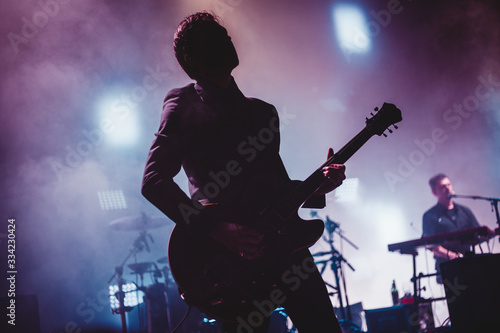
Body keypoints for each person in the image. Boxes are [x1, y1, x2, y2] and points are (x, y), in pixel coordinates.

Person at [141, 12, 345, 333]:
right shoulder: (183, 104)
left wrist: (320, 186)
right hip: (228, 261)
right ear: (191, 58)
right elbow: (154, 182)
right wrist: (216, 229)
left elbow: (277, 189)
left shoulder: (262, 112)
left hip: (284, 249)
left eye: (225, 34)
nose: (227, 40)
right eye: (215, 38)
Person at [422, 173, 480, 284]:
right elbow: (432, 246)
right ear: (434, 192)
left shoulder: (465, 211)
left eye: (449, 184)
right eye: (443, 187)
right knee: (459, 299)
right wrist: (452, 256)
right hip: (447, 266)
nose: (447, 188)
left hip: (470, 263)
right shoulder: (430, 216)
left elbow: (479, 233)